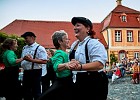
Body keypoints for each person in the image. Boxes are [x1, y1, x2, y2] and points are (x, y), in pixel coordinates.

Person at [68, 17, 108, 100]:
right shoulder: (74, 44)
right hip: (78, 80)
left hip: (93, 81)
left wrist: (80, 67)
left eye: (78, 25)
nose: (75, 28)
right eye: (74, 26)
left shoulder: (94, 44)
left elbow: (99, 64)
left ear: (87, 28)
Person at [38, 30, 74, 100]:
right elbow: (56, 67)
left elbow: (52, 60)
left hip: (66, 82)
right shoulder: (60, 53)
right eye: (66, 39)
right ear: (60, 42)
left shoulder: (63, 53)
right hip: (63, 83)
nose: (68, 40)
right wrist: (67, 64)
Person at [21, 32, 47, 100]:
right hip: (26, 72)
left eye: (26, 38)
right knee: (26, 91)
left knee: (36, 91)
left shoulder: (40, 48)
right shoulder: (24, 48)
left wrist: (31, 60)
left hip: (35, 72)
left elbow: (44, 61)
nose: (25, 40)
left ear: (32, 37)